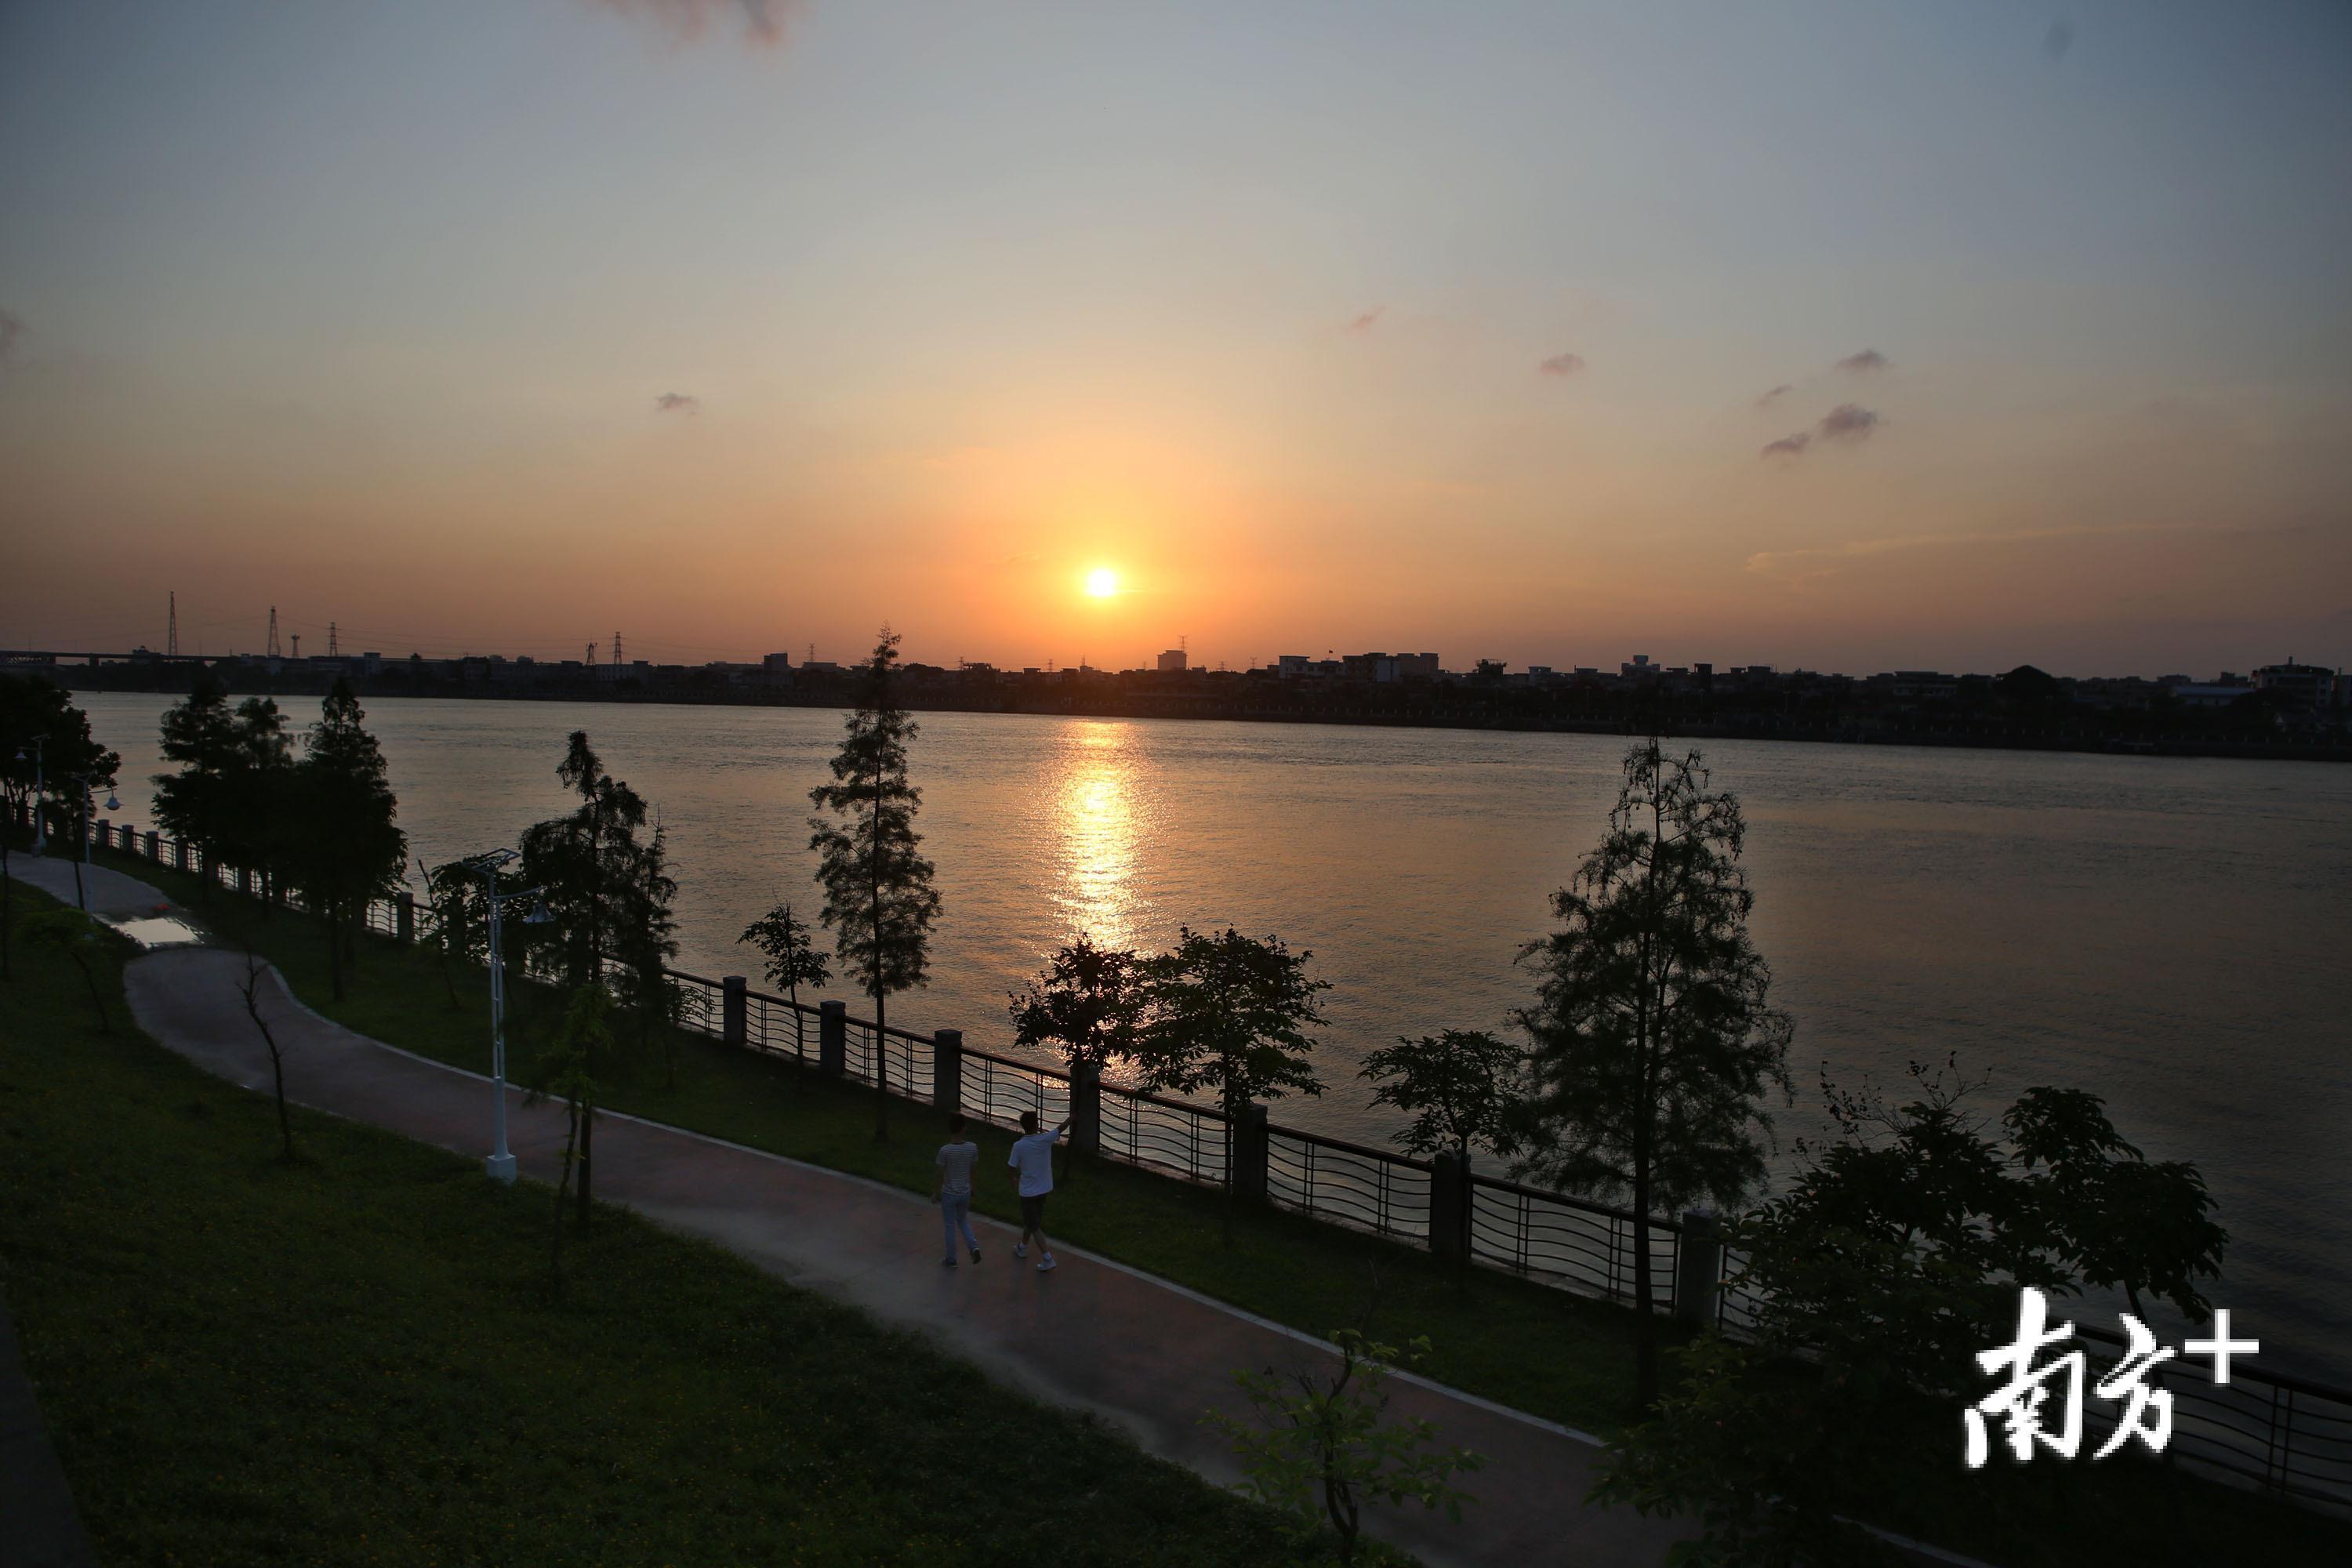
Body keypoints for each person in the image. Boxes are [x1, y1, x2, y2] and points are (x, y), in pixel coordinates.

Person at [1008, 1109, 1071, 1272]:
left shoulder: (1018, 1146)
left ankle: (1047, 1258)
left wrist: (1013, 1179)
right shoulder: (1045, 1140)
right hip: (1044, 1189)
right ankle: (1022, 1247)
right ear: (1036, 1125)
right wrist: (1072, 1118)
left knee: (1033, 1224)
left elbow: (1012, 1167)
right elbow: (1061, 1128)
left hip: (1028, 1192)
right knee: (1032, 1221)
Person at [935, 1114, 982, 1267]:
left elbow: (940, 1173)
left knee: (950, 1226)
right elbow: (973, 1170)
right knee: (963, 1221)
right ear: (964, 1129)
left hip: (949, 1193)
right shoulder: (972, 1148)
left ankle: (951, 1259)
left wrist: (936, 1192)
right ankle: (973, 1246)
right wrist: (973, 1187)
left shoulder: (945, 1151)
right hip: (965, 1192)